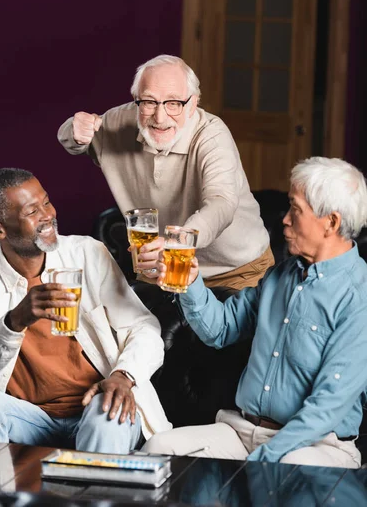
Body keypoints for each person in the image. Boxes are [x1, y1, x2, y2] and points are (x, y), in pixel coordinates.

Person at [144, 157, 367, 468]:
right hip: (242, 431)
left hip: (315, 444)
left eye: (296, 210)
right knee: (158, 448)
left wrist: (264, 460)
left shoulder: (359, 296)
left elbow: (328, 406)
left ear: (331, 222)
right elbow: (219, 330)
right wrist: (191, 281)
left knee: (279, 476)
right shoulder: (280, 275)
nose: (285, 219)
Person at [0, 168, 171, 453]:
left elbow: (143, 327)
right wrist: (14, 321)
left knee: (108, 409)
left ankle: (88, 497)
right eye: (31, 211)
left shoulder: (87, 253)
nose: (47, 215)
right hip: (29, 419)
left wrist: (124, 376)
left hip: (94, 405)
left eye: (46, 202)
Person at [57, 54, 273, 290]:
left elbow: (221, 204)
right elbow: (73, 139)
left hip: (234, 271)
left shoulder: (212, 134)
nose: (160, 118)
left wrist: (175, 244)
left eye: (174, 103)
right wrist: (73, 129)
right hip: (161, 268)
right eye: (149, 102)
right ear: (135, 99)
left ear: (193, 103)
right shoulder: (121, 120)